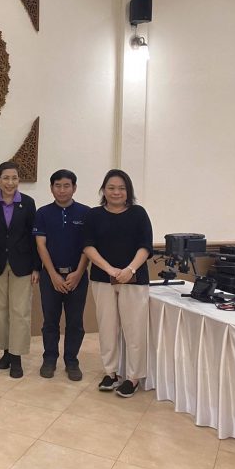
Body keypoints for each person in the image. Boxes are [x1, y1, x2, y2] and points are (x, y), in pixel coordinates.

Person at [83, 169, 152, 398]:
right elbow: (88, 246)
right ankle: (110, 373)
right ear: (103, 190)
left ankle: (133, 377)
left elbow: (145, 246)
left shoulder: (138, 214)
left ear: (128, 191)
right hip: (103, 279)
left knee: (134, 329)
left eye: (121, 188)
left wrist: (130, 269)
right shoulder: (93, 215)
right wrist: (110, 269)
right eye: (111, 188)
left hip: (134, 280)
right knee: (107, 328)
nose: (116, 192)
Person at [0, 162, 40, 379]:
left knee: (20, 311)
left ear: (19, 180)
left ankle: (16, 357)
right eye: (6, 178)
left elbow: (35, 237)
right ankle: (6, 351)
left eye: (14, 178)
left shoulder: (28, 203)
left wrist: (36, 267)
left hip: (23, 265)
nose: (10, 182)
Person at [34, 169, 89, 381]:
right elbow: (41, 245)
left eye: (67, 186)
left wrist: (78, 273)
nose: (62, 190)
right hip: (50, 277)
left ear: (74, 188)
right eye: (58, 186)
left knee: (75, 322)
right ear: (51, 188)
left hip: (77, 277)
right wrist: (53, 275)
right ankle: (49, 359)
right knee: (50, 321)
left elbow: (88, 247)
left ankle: (72, 361)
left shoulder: (86, 213)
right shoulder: (43, 213)